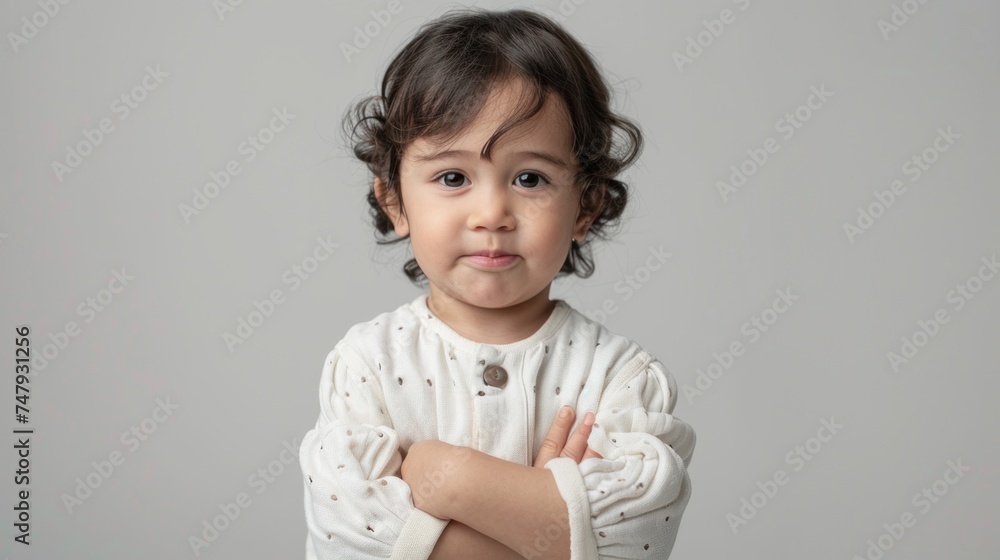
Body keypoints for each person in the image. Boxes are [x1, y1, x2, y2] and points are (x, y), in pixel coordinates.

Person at [299, 8, 695, 560]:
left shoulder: (620, 380)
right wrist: (539, 517)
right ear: (394, 201)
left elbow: (632, 541)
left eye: (529, 178)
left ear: (586, 205)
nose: (492, 213)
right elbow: (350, 539)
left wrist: (452, 477)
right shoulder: (367, 365)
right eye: (453, 177)